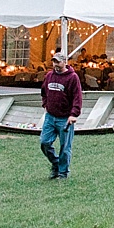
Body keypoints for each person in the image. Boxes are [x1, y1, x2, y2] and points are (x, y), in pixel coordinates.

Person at [39, 50, 83, 180]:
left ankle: (63, 173)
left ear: (65, 62)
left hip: (65, 118)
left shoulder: (72, 77)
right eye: (54, 62)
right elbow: (43, 91)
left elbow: (77, 97)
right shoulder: (49, 76)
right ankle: (56, 163)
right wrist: (45, 104)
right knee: (44, 142)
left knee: (65, 147)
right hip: (50, 116)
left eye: (58, 62)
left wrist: (74, 114)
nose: (55, 65)